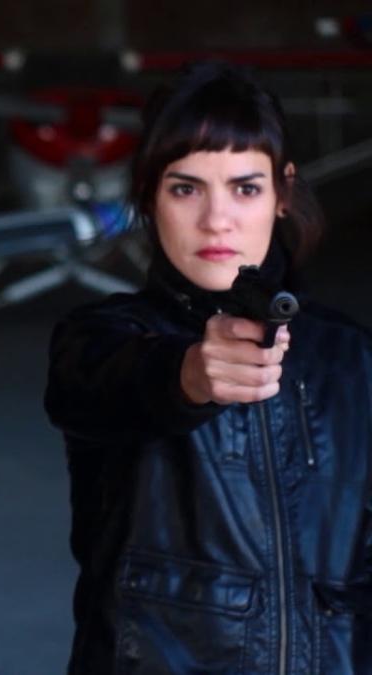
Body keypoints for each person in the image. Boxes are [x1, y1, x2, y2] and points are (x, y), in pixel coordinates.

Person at [45, 61, 372, 674]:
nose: (216, 219)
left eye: (245, 187)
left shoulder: (351, 357)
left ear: (282, 193)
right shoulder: (100, 337)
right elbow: (109, 384)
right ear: (149, 196)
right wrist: (190, 376)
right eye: (185, 187)